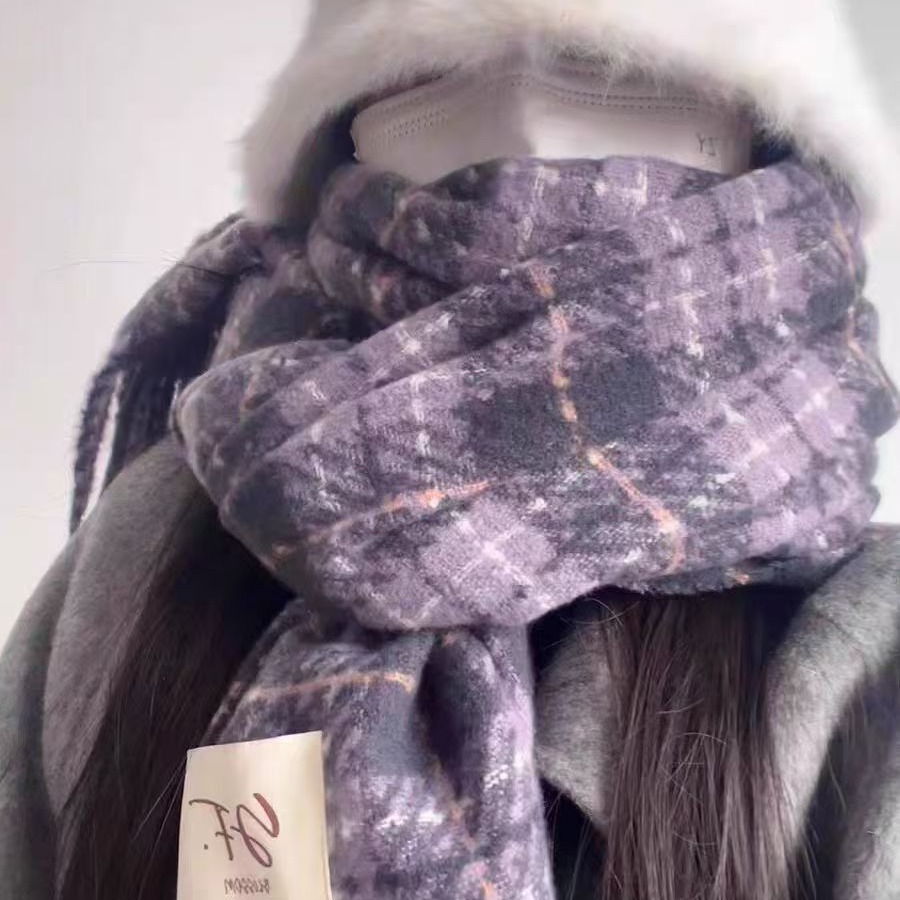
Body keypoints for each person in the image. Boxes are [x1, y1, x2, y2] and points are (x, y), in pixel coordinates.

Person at [2, 2, 899, 899]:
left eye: (619, 65)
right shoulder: (159, 539)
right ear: (340, 133)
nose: (525, 120)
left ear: (772, 138)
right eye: (432, 73)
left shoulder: (874, 649)